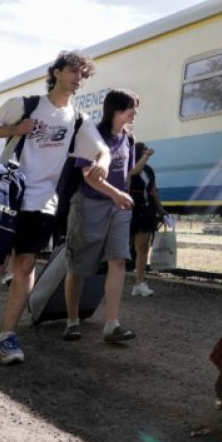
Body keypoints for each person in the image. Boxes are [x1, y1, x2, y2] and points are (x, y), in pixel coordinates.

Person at [0, 50, 110, 365]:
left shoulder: (78, 120)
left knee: (24, 266)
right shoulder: (25, 105)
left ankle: (6, 337)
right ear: (57, 72)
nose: (78, 78)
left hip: (43, 201)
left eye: (83, 75)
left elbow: (101, 151)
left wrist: (102, 162)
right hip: (6, 194)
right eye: (73, 71)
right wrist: (14, 130)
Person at [62, 89, 138, 343]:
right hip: (89, 204)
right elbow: (89, 175)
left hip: (117, 208)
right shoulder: (92, 135)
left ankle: (112, 324)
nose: (135, 113)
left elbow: (126, 173)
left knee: (118, 260)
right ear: (115, 110)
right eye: (131, 108)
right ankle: (72, 321)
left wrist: (122, 196)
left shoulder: (128, 138)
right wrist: (116, 194)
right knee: (79, 267)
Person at [128, 141, 163, 297]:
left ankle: (139, 283)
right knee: (122, 248)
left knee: (143, 247)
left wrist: (161, 209)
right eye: (143, 150)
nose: (146, 152)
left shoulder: (149, 170)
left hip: (145, 210)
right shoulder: (128, 166)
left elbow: (153, 190)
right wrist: (146, 157)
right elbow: (133, 172)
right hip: (129, 210)